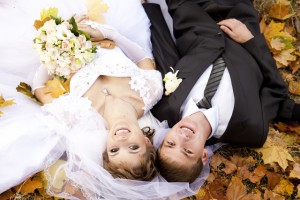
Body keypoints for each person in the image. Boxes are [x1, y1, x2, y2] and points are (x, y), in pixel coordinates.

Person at [143, 0, 300, 183]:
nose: (182, 138)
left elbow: (165, 53)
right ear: (203, 156)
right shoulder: (249, 128)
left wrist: (148, 8)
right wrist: (251, 41)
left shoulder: (165, 107)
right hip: (238, 18)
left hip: (191, 14)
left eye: (171, 143)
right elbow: (276, 91)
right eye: (187, 151)